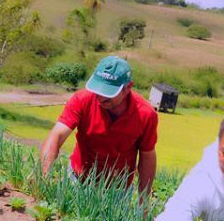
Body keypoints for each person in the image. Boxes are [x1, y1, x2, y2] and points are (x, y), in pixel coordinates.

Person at [40, 55, 158, 195]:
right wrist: (44, 178)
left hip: (117, 190)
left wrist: (143, 199)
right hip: (78, 179)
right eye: (98, 90)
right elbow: (57, 135)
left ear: (127, 88)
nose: (100, 98)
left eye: (108, 93)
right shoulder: (82, 99)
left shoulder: (145, 114)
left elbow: (147, 156)